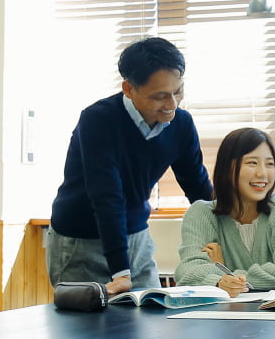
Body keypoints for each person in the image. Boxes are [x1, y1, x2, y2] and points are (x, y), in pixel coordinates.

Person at [46, 37, 213, 295]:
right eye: (160, 96)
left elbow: (198, 186)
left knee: (153, 311)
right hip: (81, 239)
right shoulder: (98, 120)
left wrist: (225, 232)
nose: (172, 104)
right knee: (91, 319)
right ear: (128, 88)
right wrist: (120, 271)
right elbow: (107, 195)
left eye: (177, 91)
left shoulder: (181, 124)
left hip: (137, 235)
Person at [175, 127, 275, 297]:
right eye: (252, 163)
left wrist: (224, 273)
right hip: (229, 311)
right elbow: (186, 273)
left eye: (270, 164)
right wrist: (220, 280)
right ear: (227, 168)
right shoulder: (201, 214)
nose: (262, 173)